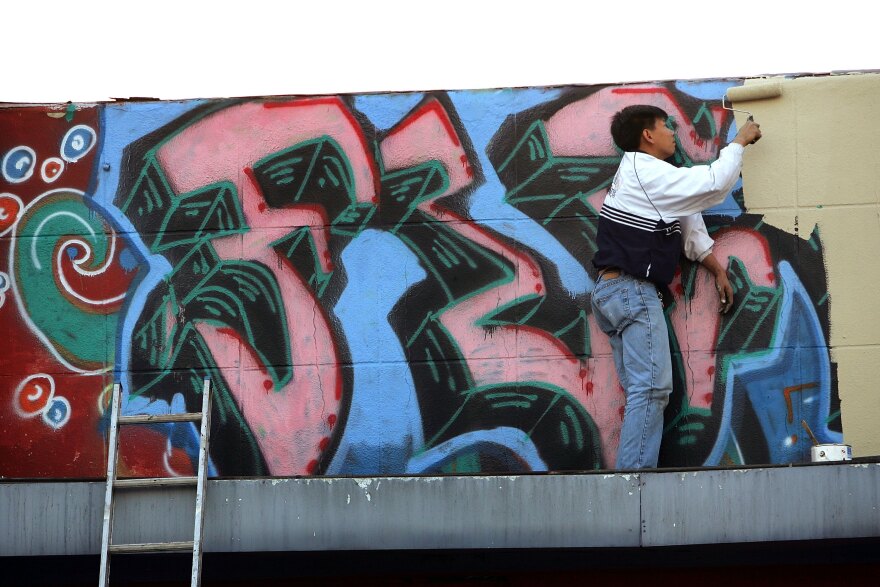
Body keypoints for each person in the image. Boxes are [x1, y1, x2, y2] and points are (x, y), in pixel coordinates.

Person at [591, 104, 762, 470]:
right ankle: (634, 486)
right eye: (666, 125)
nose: (674, 131)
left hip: (613, 293)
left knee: (644, 392)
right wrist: (739, 143)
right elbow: (713, 184)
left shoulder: (648, 178)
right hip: (631, 291)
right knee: (651, 390)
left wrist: (716, 269)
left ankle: (630, 483)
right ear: (647, 136)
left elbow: (688, 224)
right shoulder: (646, 170)